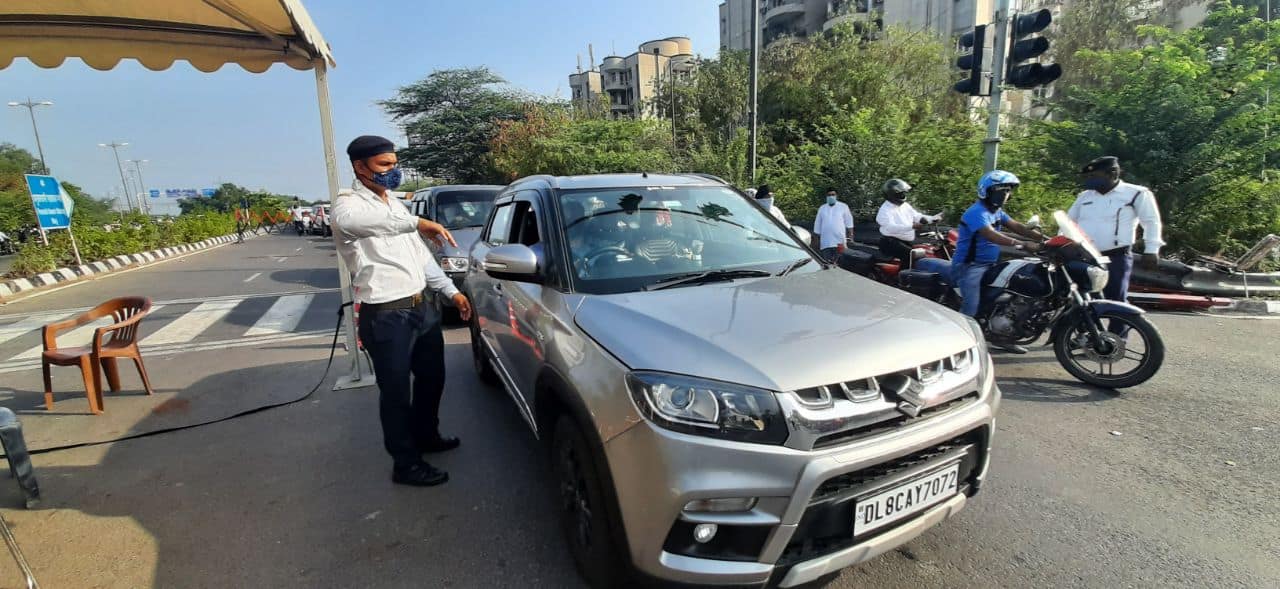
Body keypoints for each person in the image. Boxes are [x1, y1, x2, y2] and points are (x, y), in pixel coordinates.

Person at [331, 135, 473, 487]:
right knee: (395, 394)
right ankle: (405, 464)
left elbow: (420, 256)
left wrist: (451, 291)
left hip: (421, 308)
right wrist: (415, 223)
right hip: (387, 316)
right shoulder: (348, 206)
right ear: (359, 167)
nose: (392, 172)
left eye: (395, 164)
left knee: (432, 379)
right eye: (384, 165)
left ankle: (427, 435)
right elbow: (351, 226)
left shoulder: (395, 203)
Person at [952, 171, 1044, 350]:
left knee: (1009, 298)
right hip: (970, 266)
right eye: (1000, 190)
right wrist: (1023, 244)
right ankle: (960, 344)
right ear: (986, 191)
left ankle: (1003, 336)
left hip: (990, 264)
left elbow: (1017, 226)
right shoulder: (976, 212)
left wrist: (1043, 238)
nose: (1004, 194)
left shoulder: (997, 211)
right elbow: (991, 235)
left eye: (1008, 191)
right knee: (971, 307)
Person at [1068, 156, 1164, 303]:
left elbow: (1151, 222)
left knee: (1116, 300)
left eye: (1094, 176)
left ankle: (1118, 327)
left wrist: (1151, 250)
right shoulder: (1084, 197)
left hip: (1116, 257)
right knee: (1082, 301)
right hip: (1085, 257)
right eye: (1088, 176)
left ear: (1112, 173)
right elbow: (1069, 223)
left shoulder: (1136, 193)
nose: (1089, 180)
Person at [875, 178, 942, 264]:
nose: (903, 195)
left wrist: (932, 218)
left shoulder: (905, 206)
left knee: (926, 251)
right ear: (892, 195)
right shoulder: (885, 210)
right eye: (900, 193)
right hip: (890, 243)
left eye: (903, 193)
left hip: (906, 242)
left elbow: (917, 216)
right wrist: (912, 226)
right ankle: (903, 277)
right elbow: (891, 228)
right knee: (912, 255)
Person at [813, 188, 853, 262]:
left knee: (841, 263)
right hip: (826, 242)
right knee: (827, 264)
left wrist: (850, 236)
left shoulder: (843, 206)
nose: (831, 197)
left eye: (833, 195)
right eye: (829, 195)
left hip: (840, 241)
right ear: (826, 196)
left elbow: (849, 222)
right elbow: (817, 224)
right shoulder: (822, 208)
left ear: (836, 196)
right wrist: (816, 241)